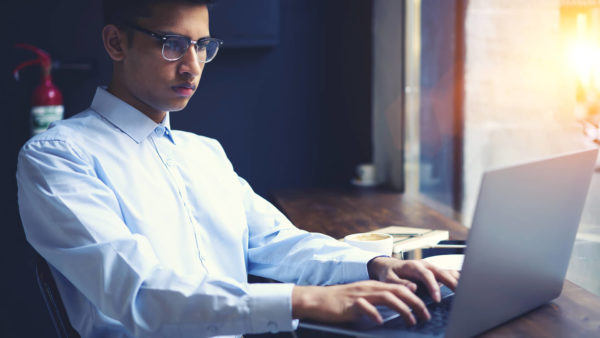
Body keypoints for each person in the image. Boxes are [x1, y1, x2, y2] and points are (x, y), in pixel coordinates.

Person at [17, 0, 459, 337]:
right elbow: (138, 293)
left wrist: (375, 265)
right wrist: (306, 301)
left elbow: (278, 243)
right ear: (116, 43)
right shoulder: (58, 156)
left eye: (202, 46)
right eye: (171, 44)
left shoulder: (204, 153)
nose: (191, 66)